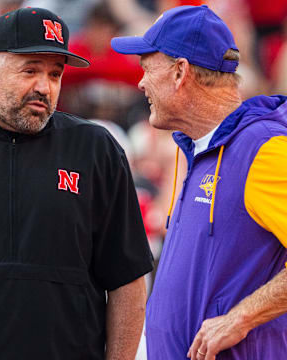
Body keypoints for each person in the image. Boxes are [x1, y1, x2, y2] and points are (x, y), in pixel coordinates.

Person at [0, 7, 153, 360]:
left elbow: (127, 279)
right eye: (30, 70)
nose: (44, 87)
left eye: (55, 73)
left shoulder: (95, 149)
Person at [111, 4, 287, 360]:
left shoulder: (263, 150)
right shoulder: (196, 149)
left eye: (147, 67)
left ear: (180, 72)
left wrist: (241, 317)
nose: (141, 81)